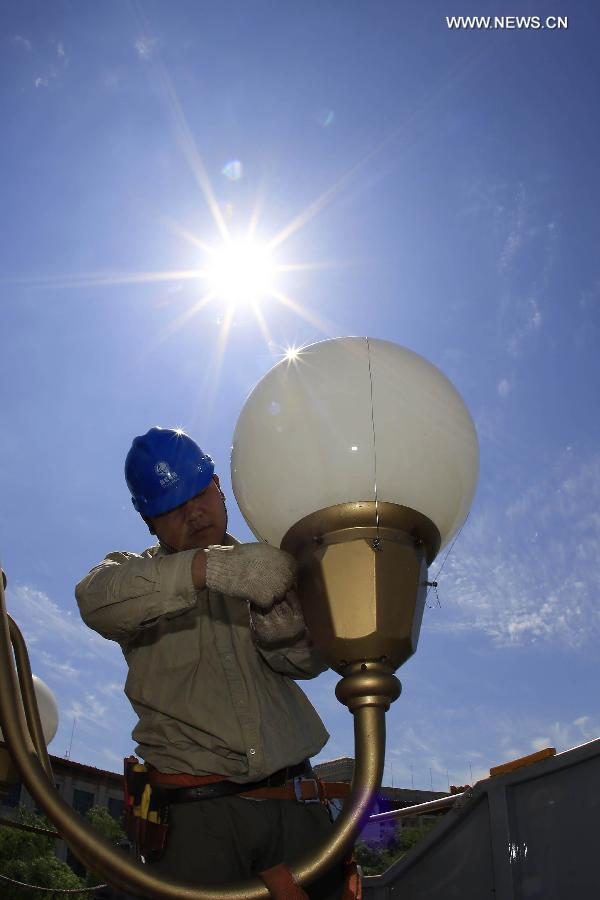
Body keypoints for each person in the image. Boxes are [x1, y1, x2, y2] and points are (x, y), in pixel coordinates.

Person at [76, 427, 348, 898]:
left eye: (200, 494)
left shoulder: (269, 565)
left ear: (219, 487)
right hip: (196, 820)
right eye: (173, 508)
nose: (195, 512)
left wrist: (287, 630)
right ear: (150, 523)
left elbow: (304, 664)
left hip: (296, 803)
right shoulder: (134, 578)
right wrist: (211, 569)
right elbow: (95, 601)